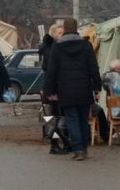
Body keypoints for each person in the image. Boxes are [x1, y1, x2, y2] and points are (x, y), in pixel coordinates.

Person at [44, 18, 101, 161]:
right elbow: (93, 67)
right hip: (84, 88)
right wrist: (97, 86)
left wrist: (49, 91)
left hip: (66, 89)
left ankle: (78, 149)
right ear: (76, 28)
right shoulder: (86, 45)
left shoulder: (58, 47)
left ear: (65, 28)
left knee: (72, 119)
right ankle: (84, 147)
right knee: (83, 119)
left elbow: (52, 71)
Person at [39, 23, 69, 154]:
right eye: (59, 33)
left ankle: (59, 142)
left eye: (63, 33)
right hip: (54, 88)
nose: (62, 35)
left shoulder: (54, 47)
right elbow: (50, 68)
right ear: (53, 34)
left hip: (55, 87)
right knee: (56, 117)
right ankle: (55, 143)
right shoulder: (50, 49)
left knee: (57, 116)